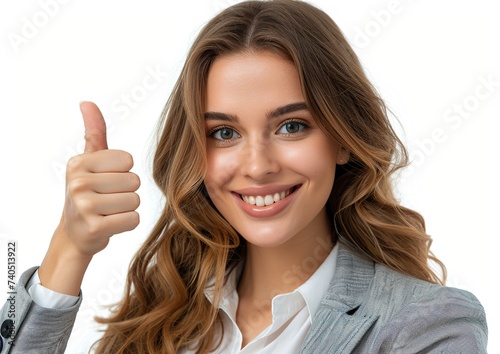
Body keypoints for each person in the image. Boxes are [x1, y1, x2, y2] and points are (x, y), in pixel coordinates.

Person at [0, 0, 487, 353]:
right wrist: (69, 250)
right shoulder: (155, 321)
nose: (257, 166)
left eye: (292, 126)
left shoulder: (427, 326)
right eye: (225, 132)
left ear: (342, 138)